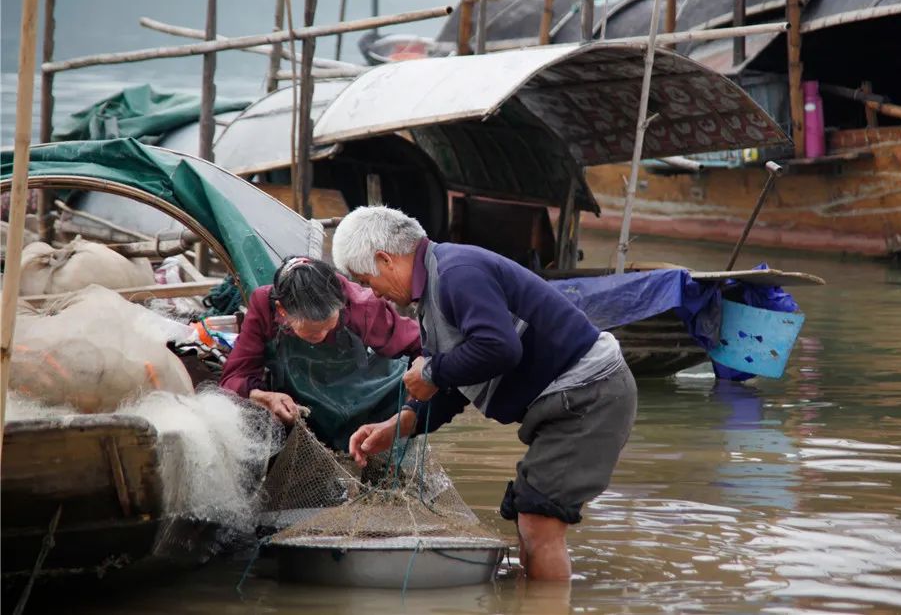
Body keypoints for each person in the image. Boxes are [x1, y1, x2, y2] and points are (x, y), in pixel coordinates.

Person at [331, 206, 637, 581]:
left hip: (589, 395)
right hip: (567, 402)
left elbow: (500, 348)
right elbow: (458, 382)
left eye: (367, 279)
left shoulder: (458, 273)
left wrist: (431, 370)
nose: (374, 293)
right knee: (528, 516)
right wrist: (398, 424)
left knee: (539, 523)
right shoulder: (434, 294)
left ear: (385, 260)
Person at [220, 255, 421, 451]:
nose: (322, 335)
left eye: (328, 326)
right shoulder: (264, 305)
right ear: (282, 311)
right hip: (304, 410)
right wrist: (263, 396)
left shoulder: (363, 306)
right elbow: (233, 377)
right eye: (313, 331)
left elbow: (420, 345)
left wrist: (410, 408)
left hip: (370, 399)